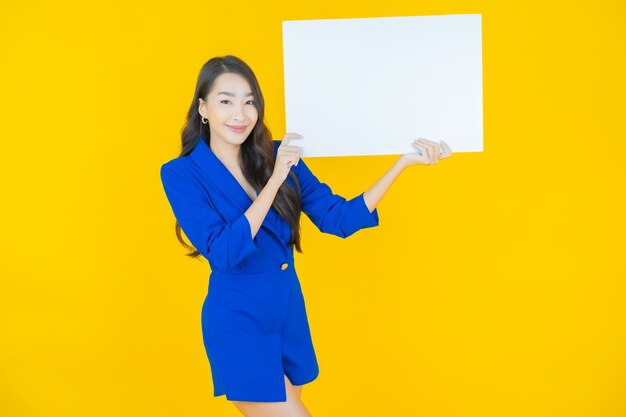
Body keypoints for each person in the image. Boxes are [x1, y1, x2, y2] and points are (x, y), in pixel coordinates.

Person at [159, 55, 452, 417]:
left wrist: (402, 163)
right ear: (203, 108)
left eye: (250, 101)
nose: (240, 113)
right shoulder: (181, 173)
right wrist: (276, 179)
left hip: (286, 314)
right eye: (226, 101)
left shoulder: (277, 154)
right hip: (239, 320)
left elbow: (338, 218)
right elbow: (223, 250)